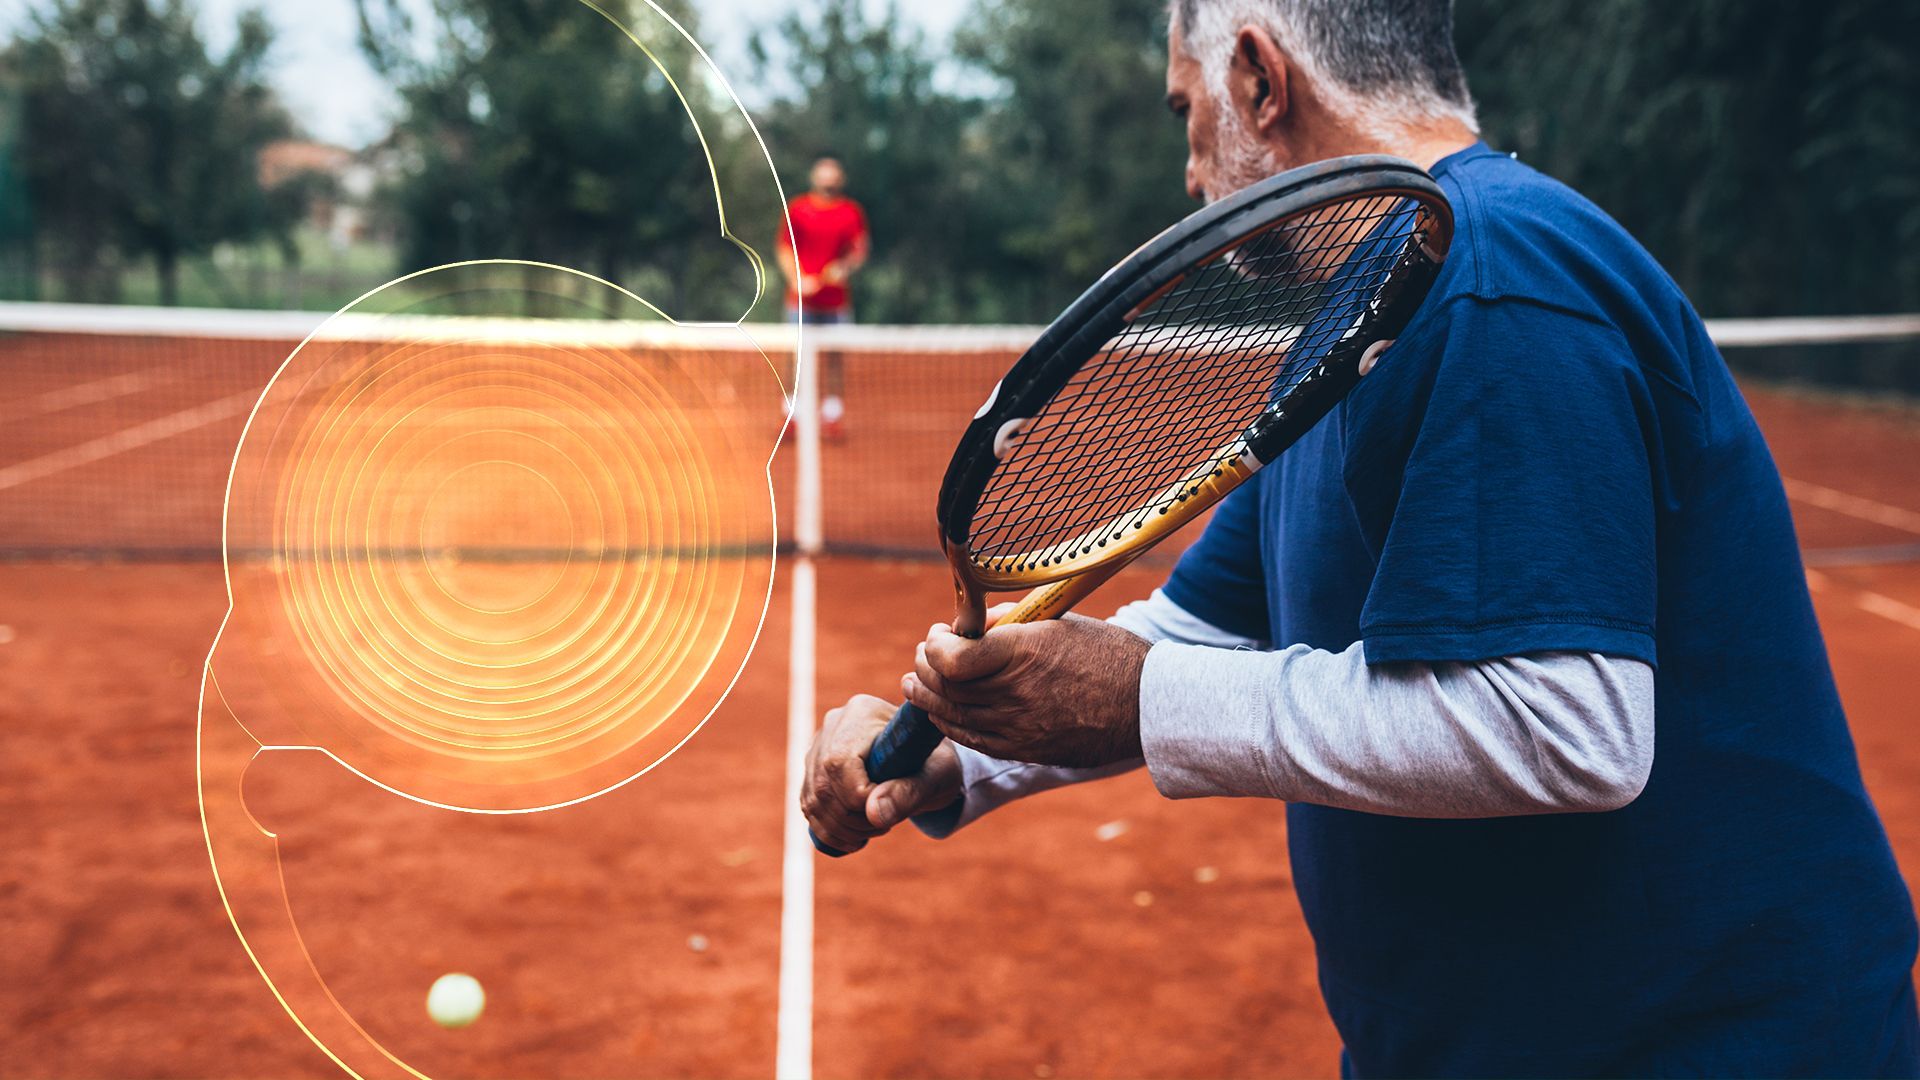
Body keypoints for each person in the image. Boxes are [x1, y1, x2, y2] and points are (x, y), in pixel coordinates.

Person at [800, 1, 1920, 1075]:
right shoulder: (1352, 330)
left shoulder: (1499, 280)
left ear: (1257, 76)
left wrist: (1142, 698)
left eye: (1188, 114)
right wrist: (961, 753)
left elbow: (1572, 726)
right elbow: (1196, 632)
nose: (1190, 172)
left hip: (1709, 1052)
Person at [776, 154, 869, 440]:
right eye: (823, 176)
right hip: (800, 301)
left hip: (836, 302)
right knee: (795, 357)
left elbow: (858, 250)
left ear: (840, 180)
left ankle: (832, 415)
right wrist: (797, 280)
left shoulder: (851, 211)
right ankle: (792, 414)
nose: (828, 182)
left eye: (833, 177)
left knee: (835, 358)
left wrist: (844, 268)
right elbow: (784, 248)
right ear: (815, 178)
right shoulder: (798, 209)